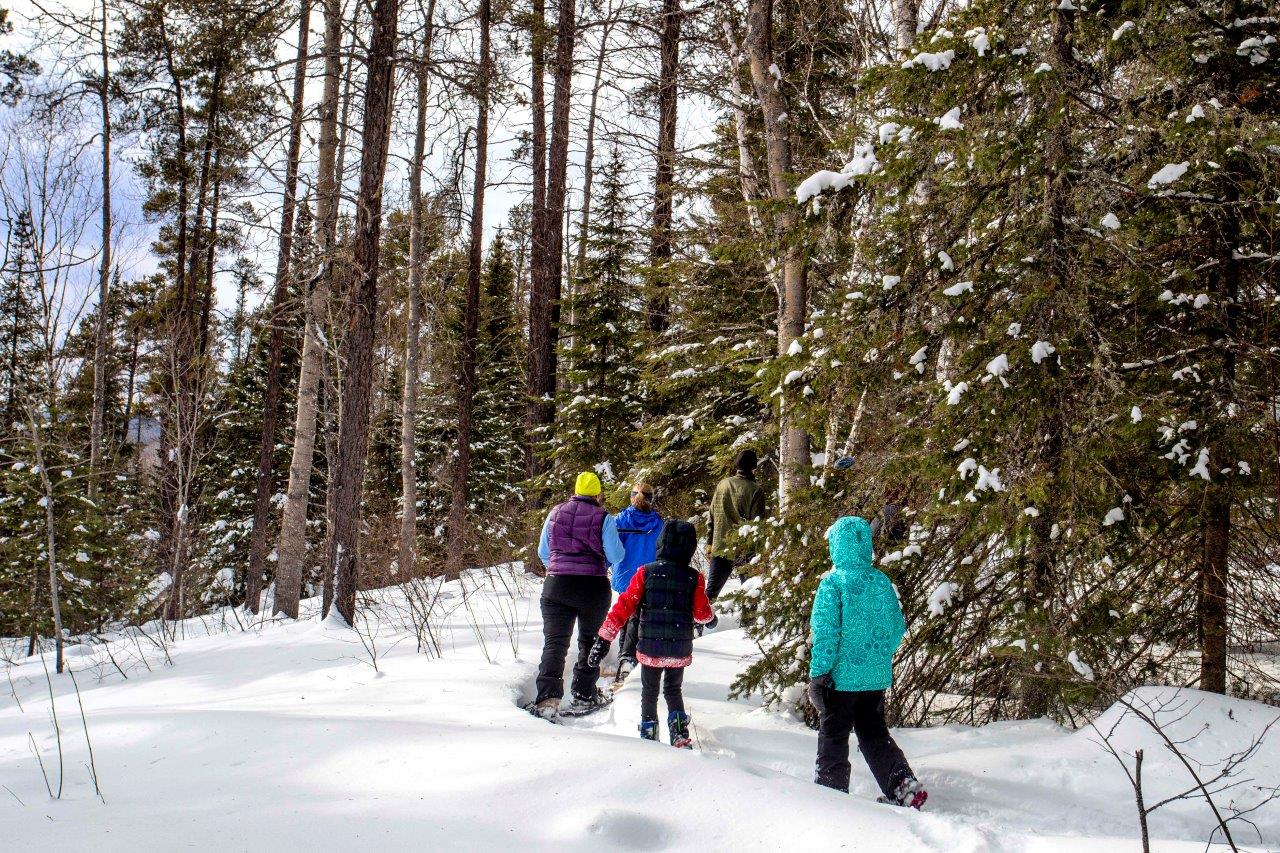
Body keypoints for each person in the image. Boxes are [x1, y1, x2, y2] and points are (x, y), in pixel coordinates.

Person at [808, 515, 927, 809]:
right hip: (874, 679)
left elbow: (825, 634)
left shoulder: (832, 584)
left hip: (839, 681)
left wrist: (818, 675)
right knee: (873, 733)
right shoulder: (881, 581)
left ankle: (829, 793)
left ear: (836, 546)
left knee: (834, 734)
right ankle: (902, 785)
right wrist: (879, 656)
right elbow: (896, 626)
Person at [588, 519, 713, 747]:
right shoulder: (694, 578)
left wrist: (605, 636)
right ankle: (679, 732)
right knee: (673, 690)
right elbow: (702, 613)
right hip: (678, 646)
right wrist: (710, 618)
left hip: (650, 646)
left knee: (649, 691)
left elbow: (624, 606)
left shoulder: (645, 573)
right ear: (690, 548)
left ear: (661, 543)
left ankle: (649, 732)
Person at [528, 471, 626, 720]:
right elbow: (616, 556)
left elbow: (543, 552)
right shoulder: (604, 517)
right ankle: (583, 694)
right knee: (589, 642)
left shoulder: (555, 513)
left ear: (575, 491)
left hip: (557, 585)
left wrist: (559, 566)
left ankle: (547, 698)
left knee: (555, 643)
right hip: (592, 586)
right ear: (597, 494)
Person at [611, 482, 663, 681]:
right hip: (647, 575)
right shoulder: (658, 523)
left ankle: (625, 659)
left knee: (628, 614)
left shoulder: (621, 520)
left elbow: (613, 547)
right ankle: (627, 659)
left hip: (625, 575)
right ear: (651, 498)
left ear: (632, 497)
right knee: (636, 615)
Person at [705, 449, 766, 610]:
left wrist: (709, 542)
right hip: (744, 549)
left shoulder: (722, 484)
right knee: (750, 591)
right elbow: (757, 525)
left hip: (720, 545)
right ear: (754, 468)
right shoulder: (756, 490)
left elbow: (711, 515)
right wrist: (759, 553)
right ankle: (747, 628)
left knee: (711, 592)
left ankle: (696, 625)